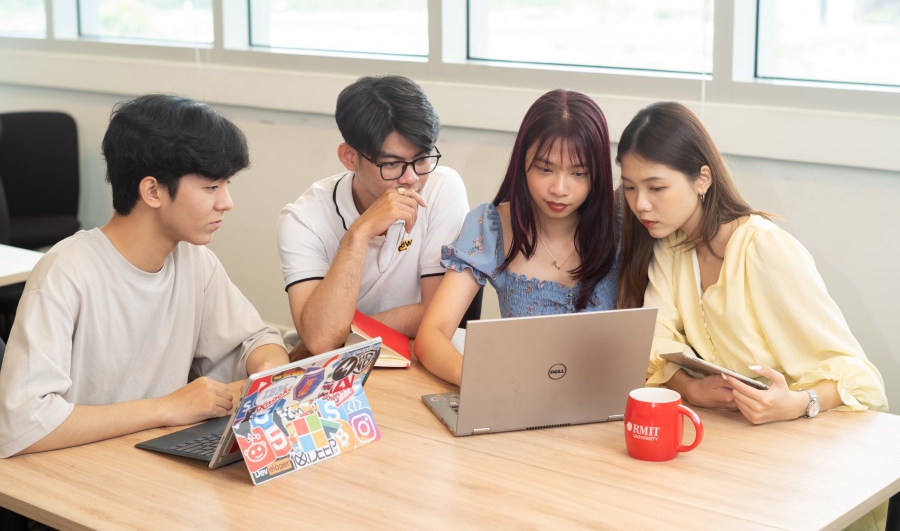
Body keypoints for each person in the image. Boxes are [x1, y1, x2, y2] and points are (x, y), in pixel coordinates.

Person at [0, 94, 289, 458]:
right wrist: (166, 407)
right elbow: (22, 423)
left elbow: (252, 340)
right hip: (80, 474)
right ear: (152, 191)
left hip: (152, 460)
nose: (226, 202)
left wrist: (270, 370)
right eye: (211, 187)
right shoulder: (66, 272)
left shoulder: (195, 260)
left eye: (226, 185)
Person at [617, 101, 887, 422]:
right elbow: (654, 338)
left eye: (656, 187)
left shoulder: (764, 248)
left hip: (810, 434)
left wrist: (798, 402)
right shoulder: (671, 247)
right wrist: (689, 388)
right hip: (737, 432)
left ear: (703, 178)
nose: (641, 204)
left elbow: (861, 376)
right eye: (630, 188)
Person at [415, 89, 618, 385]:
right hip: (521, 394)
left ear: (598, 174)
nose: (559, 188)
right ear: (523, 163)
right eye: (545, 169)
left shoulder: (622, 225)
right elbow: (431, 335)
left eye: (578, 173)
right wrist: (479, 382)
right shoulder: (492, 225)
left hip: (609, 399)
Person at [277, 75, 469, 359]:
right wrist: (359, 233)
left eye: (422, 159)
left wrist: (346, 335)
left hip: (419, 352)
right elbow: (321, 339)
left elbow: (437, 312)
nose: (412, 178)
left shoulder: (442, 187)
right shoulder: (303, 219)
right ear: (349, 157)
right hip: (337, 367)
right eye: (391, 164)